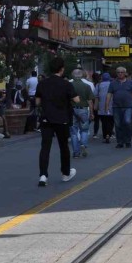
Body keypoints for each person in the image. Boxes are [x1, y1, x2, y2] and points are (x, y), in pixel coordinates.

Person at [36, 57, 79, 186]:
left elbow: (37, 102)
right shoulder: (66, 84)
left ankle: (43, 175)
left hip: (46, 118)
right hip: (62, 118)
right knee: (63, 146)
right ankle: (65, 173)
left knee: (45, 147)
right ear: (62, 69)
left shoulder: (42, 83)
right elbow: (76, 100)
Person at [107, 67, 132, 148]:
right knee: (118, 124)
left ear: (125, 73)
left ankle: (128, 140)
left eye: (122, 72)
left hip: (128, 106)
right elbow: (109, 94)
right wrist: (106, 106)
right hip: (116, 106)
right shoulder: (113, 83)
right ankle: (120, 142)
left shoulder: (130, 82)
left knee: (127, 122)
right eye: (118, 72)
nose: (120, 74)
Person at [69, 69, 95, 158]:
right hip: (83, 109)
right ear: (82, 75)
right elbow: (90, 101)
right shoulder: (86, 86)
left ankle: (76, 153)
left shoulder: (69, 85)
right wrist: (91, 112)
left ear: (73, 75)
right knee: (84, 129)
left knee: (73, 132)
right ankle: (83, 144)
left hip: (72, 110)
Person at [96, 71, 114, 143]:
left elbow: (96, 96)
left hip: (102, 106)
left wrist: (96, 106)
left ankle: (105, 135)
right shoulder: (112, 84)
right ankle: (109, 134)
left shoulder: (99, 84)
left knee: (104, 121)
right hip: (112, 105)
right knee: (111, 121)